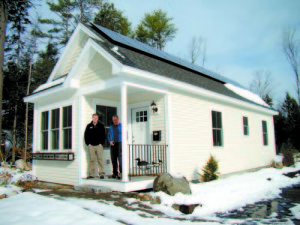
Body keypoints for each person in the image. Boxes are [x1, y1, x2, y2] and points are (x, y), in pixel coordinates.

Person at [84, 113, 105, 179]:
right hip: (91, 146)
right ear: (92, 118)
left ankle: (101, 174)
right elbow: (86, 135)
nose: (95, 119)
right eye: (94, 118)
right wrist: (88, 143)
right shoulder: (89, 126)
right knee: (92, 160)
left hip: (99, 146)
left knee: (100, 159)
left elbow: (103, 135)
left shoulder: (101, 126)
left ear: (98, 118)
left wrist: (101, 143)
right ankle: (91, 174)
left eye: (96, 118)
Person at [108, 115, 122, 179]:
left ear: (118, 119)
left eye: (116, 120)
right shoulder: (111, 127)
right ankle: (115, 173)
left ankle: (121, 173)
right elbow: (109, 135)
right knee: (113, 159)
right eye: (113, 120)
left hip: (120, 143)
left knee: (120, 159)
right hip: (113, 144)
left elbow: (125, 134)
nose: (115, 121)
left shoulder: (122, 126)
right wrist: (110, 141)